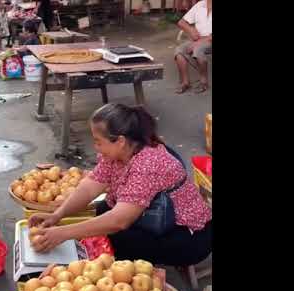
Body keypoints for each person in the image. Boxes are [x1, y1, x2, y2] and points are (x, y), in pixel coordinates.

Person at [28, 103, 212, 266]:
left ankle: (133, 275)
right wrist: (57, 215)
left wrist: (62, 233)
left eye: (98, 142)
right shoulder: (118, 153)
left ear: (121, 141)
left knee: (119, 237)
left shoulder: (148, 163)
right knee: (103, 210)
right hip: (156, 216)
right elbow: (91, 185)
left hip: (189, 235)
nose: (95, 147)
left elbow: (119, 221)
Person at [174, 0, 212, 94]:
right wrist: (190, 30)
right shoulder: (200, 5)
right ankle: (185, 82)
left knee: (198, 50)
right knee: (179, 51)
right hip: (198, 39)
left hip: (209, 40)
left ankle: (204, 82)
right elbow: (181, 22)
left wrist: (201, 42)